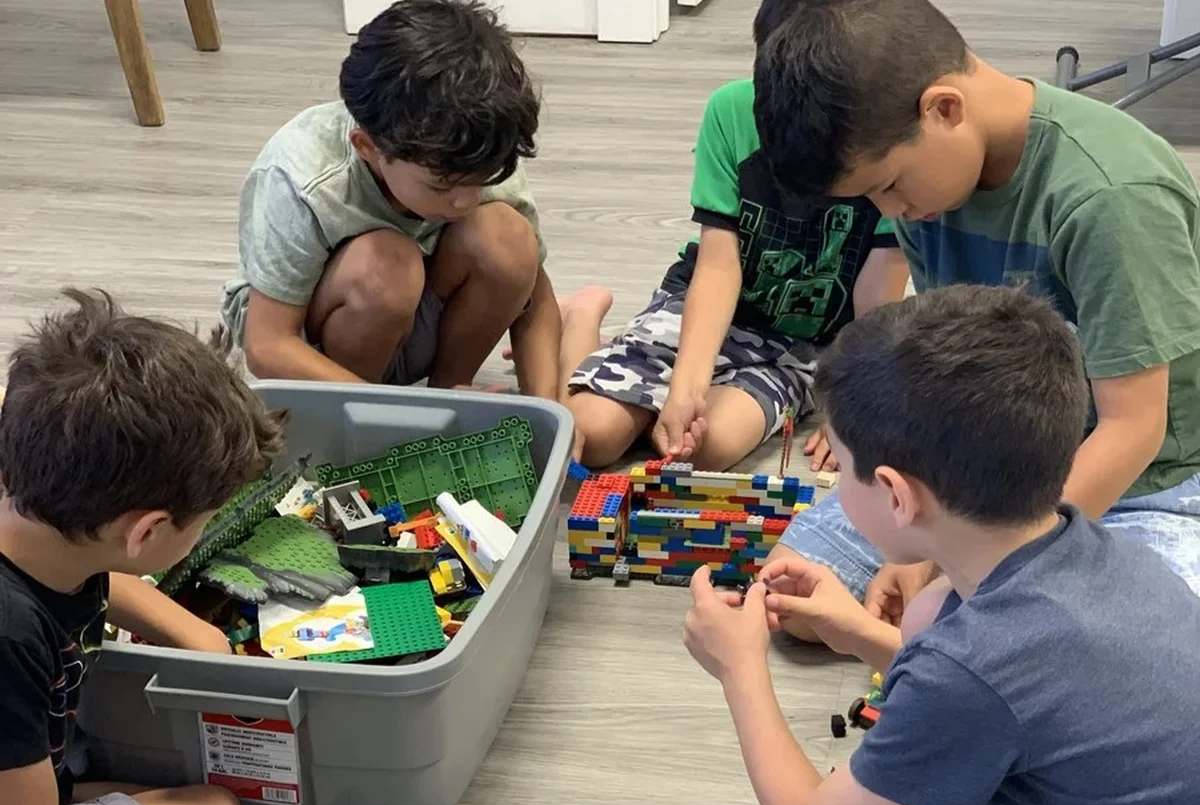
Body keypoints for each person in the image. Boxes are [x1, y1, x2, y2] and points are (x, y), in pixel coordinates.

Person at [683, 284, 1200, 805]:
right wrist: (856, 631)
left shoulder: (973, 664)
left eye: (842, 468)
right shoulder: (1094, 550)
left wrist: (740, 667)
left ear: (897, 496)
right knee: (927, 614)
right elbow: (1003, 696)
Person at [751, 0, 1200, 648]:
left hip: (1147, 482)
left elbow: (1134, 428)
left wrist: (971, 565)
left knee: (1102, 662)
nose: (893, 210)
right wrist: (922, 552)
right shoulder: (929, 180)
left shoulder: (1111, 195)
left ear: (944, 108)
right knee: (794, 598)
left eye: (891, 186)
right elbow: (950, 382)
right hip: (986, 465)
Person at [0, 289, 288, 805]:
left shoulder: (36, 500)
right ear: (148, 530)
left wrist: (191, 632)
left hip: (24, 786)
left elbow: (97, 570)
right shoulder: (9, 635)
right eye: (206, 518)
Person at [560, 0, 910, 471]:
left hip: (805, 343)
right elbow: (718, 264)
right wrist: (686, 385)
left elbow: (878, 299)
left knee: (707, 449)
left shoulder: (885, 145)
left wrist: (857, 406)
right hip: (708, 309)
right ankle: (583, 314)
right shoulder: (731, 111)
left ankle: (642, 388)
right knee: (593, 434)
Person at [220, 0, 606, 420]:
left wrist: (548, 411)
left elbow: (535, 296)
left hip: (416, 307)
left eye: (481, 179)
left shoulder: (475, 148)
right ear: (369, 148)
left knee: (508, 238)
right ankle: (361, 416)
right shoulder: (303, 176)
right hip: (312, 340)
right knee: (385, 265)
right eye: (442, 187)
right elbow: (268, 344)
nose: (466, 200)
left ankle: (446, 393)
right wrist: (401, 415)